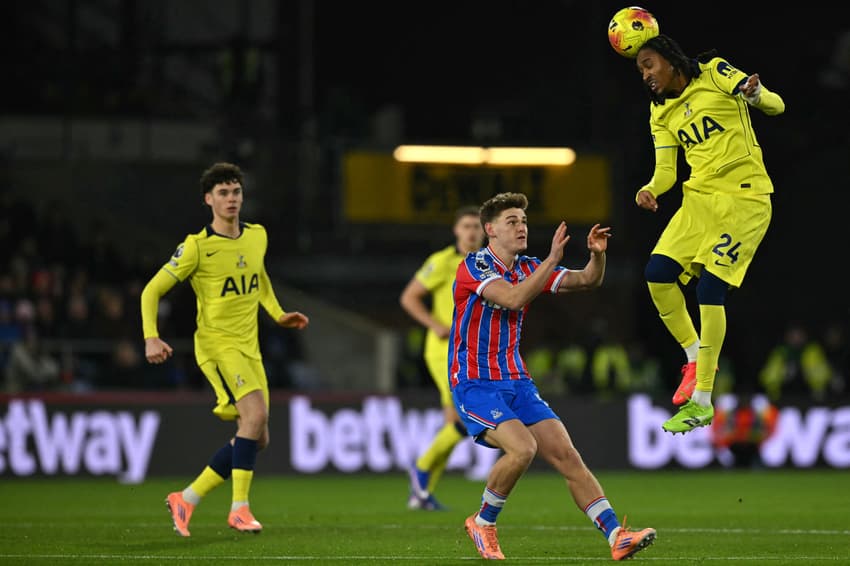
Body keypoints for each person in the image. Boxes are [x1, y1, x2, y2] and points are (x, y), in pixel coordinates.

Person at [450, 192, 655, 561]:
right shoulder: (474, 265)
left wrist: (597, 255)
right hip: (475, 383)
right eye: (511, 221)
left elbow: (586, 281)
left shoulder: (529, 267)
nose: (521, 227)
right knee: (524, 448)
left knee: (567, 456)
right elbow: (512, 298)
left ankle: (616, 536)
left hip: (517, 382)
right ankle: (483, 521)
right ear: (490, 230)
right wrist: (551, 260)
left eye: (524, 221)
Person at [140, 162, 309, 536]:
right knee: (255, 415)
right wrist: (151, 336)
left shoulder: (257, 236)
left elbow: (259, 277)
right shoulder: (196, 248)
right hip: (217, 346)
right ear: (208, 199)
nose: (231, 199)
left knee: (258, 435)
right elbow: (151, 290)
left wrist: (278, 313)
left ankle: (187, 497)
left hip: (250, 347)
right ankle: (239, 508)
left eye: (235, 192)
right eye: (222, 193)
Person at [632, 34, 785, 434]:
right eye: (640, 70)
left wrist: (754, 94)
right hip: (699, 200)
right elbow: (667, 171)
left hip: (745, 199)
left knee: (709, 290)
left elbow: (776, 104)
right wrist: (650, 188)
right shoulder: (660, 112)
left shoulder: (715, 73)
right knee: (657, 274)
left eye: (649, 64)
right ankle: (693, 355)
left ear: (669, 59)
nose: (645, 74)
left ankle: (701, 399)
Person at [400, 205, 484, 510]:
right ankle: (421, 469)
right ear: (456, 230)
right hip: (443, 351)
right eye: (466, 226)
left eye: (477, 226)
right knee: (464, 418)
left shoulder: (487, 264)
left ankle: (420, 495)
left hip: (470, 351)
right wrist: (434, 323)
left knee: (454, 421)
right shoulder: (442, 262)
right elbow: (409, 296)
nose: (472, 232)